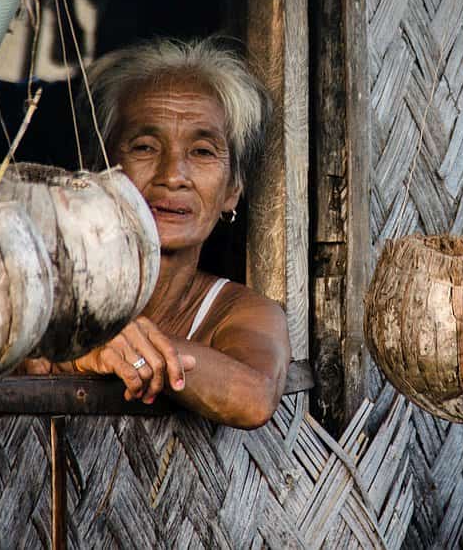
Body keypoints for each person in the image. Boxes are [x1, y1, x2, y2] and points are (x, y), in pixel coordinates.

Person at [22, 37, 289, 429]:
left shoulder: (239, 312)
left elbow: (253, 397)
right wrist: (81, 345)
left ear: (232, 190)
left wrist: (126, 350)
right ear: (101, 172)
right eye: (145, 147)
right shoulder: (41, 286)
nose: (173, 176)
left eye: (202, 151)